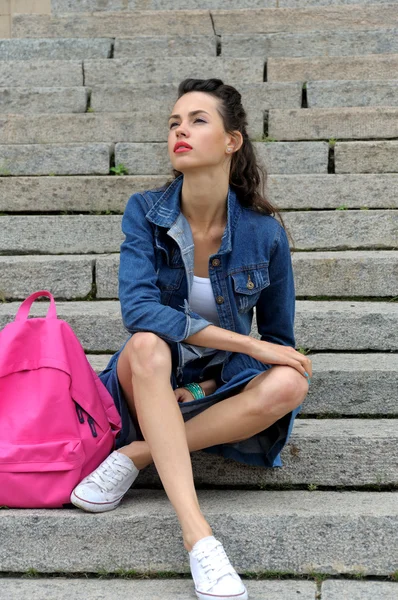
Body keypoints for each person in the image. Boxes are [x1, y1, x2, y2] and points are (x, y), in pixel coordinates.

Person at [70, 78, 312, 600]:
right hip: (144, 380)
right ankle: (199, 539)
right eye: (175, 122)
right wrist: (247, 344)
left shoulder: (265, 234)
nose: (181, 130)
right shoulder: (145, 212)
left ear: (232, 141)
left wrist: (205, 387)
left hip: (208, 393)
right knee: (149, 344)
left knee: (289, 384)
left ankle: (136, 454)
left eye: (198, 120)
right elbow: (139, 311)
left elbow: (279, 338)